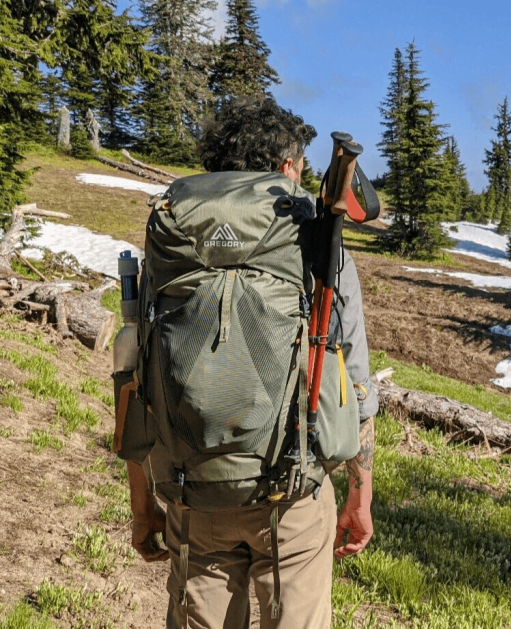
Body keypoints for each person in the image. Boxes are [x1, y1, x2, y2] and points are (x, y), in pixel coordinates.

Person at [124, 97, 378, 628]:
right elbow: (352, 381)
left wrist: (142, 505)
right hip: (291, 493)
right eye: (303, 165)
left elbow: (135, 374)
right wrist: (361, 492)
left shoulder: (173, 238)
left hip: (194, 493)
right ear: (286, 168)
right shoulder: (314, 239)